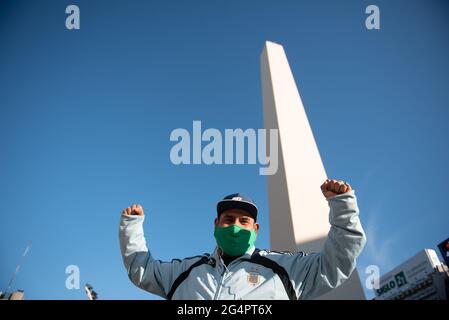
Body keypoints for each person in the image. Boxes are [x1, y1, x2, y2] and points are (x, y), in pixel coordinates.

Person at [119, 179, 366, 300]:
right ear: (216, 224)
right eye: (228, 219)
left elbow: (335, 265)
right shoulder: (186, 271)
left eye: (243, 221)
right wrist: (131, 228)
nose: (235, 226)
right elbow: (143, 272)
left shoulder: (286, 268)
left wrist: (342, 208)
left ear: (255, 228)